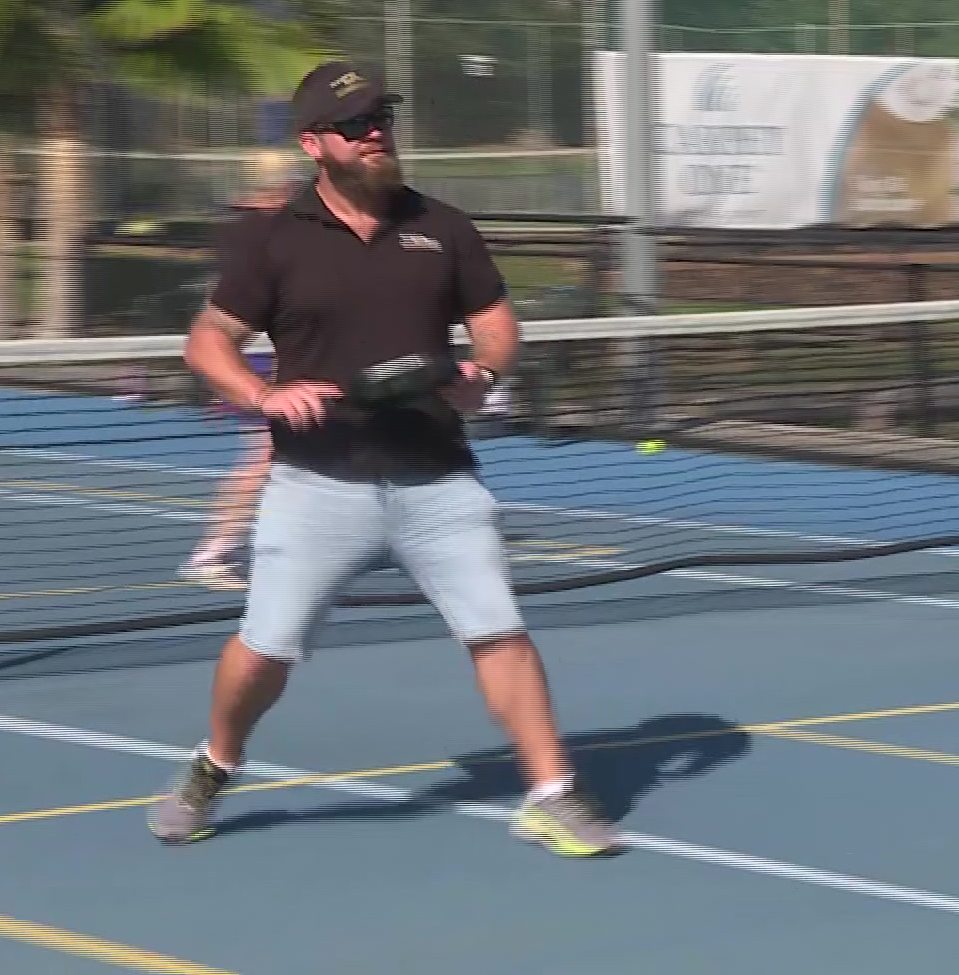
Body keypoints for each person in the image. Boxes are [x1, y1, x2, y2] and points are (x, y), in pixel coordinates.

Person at [149, 60, 619, 857]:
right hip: (318, 486)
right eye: (355, 123)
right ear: (313, 143)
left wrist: (484, 374)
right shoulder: (275, 242)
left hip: (439, 480)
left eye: (383, 118)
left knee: (500, 633)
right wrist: (263, 397)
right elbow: (208, 341)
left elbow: (498, 326)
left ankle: (552, 793)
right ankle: (213, 764)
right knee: (265, 650)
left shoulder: (444, 227)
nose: (375, 133)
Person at [180, 151, 299, 590]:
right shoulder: (271, 232)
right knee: (267, 456)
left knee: (285, 455)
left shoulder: (239, 227)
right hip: (265, 357)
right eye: (291, 185)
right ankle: (214, 550)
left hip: (261, 351)